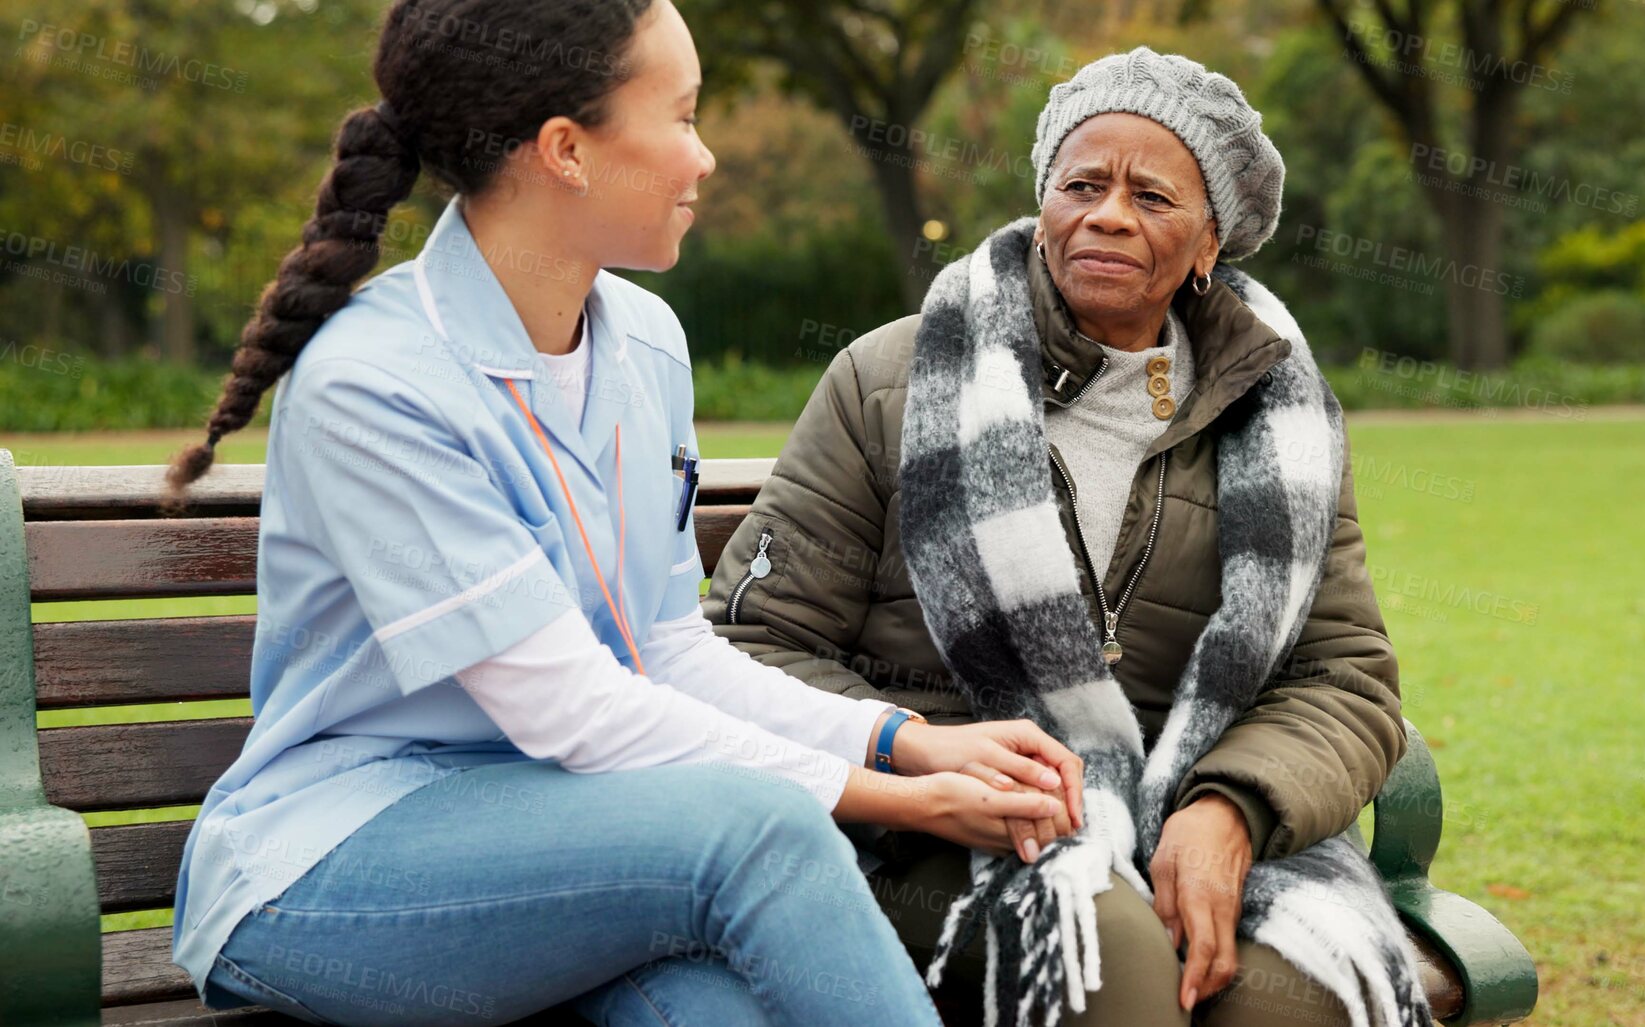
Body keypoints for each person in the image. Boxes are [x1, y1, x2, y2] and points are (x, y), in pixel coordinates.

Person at [163, 2, 1081, 1024]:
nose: (707, 158)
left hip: (579, 835)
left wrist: (902, 738)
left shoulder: (644, 342)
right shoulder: (373, 385)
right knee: (765, 828)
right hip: (336, 863)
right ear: (565, 150)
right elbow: (572, 709)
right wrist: (901, 799)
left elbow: (662, 647)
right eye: (683, 117)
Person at [705, 47, 1434, 1027]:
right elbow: (754, 645)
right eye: (1081, 184)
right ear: (1044, 202)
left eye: (1153, 196)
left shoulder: (1281, 417)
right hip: (935, 824)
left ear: (1210, 240)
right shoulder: (892, 378)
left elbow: (1343, 676)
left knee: (1288, 1000)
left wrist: (1231, 809)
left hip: (1196, 815)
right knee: (1114, 965)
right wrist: (932, 754)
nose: (1108, 215)